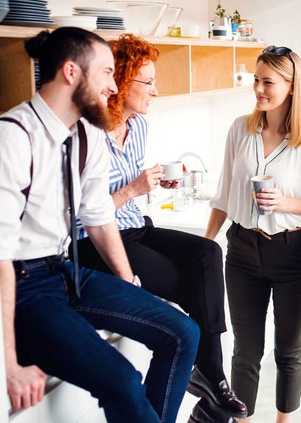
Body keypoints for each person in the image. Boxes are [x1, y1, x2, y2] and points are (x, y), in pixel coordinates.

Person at [0, 27, 200, 423]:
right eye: (107, 73)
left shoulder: (87, 134)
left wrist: (127, 284)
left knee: (183, 333)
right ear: (71, 72)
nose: (114, 86)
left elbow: (98, 216)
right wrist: (9, 364)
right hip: (24, 286)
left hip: (65, 271)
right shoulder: (13, 136)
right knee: (123, 379)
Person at [74, 33, 247, 422]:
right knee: (190, 283)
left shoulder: (138, 129)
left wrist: (150, 185)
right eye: (148, 82)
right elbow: (82, 214)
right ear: (118, 82)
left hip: (136, 227)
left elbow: (128, 192)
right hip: (98, 243)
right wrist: (133, 188)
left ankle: (211, 375)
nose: (155, 91)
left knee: (209, 252)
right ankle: (208, 379)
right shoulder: (87, 135)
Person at [205, 45, 301, 423]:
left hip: (293, 253)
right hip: (242, 250)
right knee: (245, 350)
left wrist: (285, 201)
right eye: (256, 80)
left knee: (288, 349)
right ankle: (242, 420)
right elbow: (224, 190)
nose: (258, 89)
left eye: (268, 82)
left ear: (292, 86)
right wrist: (207, 242)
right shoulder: (240, 129)